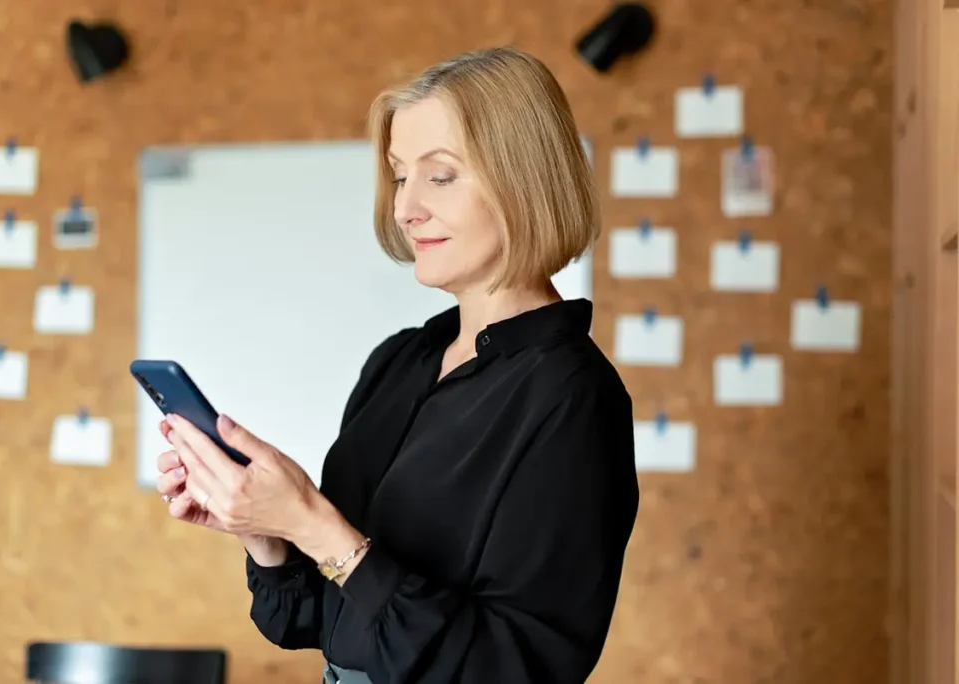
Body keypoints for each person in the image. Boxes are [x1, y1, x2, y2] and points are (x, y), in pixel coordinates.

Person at [155, 46, 638, 684]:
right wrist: (265, 531)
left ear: (525, 180)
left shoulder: (572, 396)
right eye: (400, 176)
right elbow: (319, 620)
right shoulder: (399, 362)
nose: (406, 207)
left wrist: (314, 525)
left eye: (440, 176)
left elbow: (514, 666)